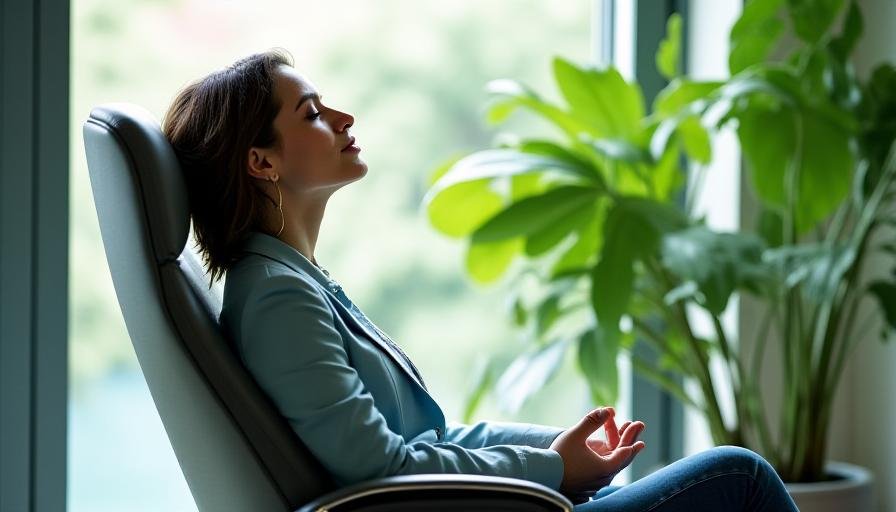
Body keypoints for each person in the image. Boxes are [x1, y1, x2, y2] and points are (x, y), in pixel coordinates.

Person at [161, 49, 799, 511]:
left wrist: (556, 448)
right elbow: (380, 470)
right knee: (737, 478)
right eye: (312, 113)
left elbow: (426, 440)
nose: (344, 116)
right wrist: (552, 468)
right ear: (262, 161)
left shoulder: (291, 279)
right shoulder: (277, 297)